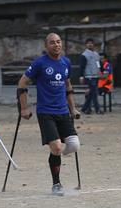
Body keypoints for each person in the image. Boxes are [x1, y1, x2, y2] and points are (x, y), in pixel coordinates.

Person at [17, 32, 81, 196]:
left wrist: (73, 108)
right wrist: (24, 108)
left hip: (63, 111)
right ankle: (56, 184)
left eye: (58, 42)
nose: (56, 45)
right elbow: (22, 82)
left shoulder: (66, 62)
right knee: (57, 147)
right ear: (46, 46)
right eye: (52, 42)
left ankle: (58, 154)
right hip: (46, 112)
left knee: (74, 145)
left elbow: (67, 85)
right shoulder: (39, 63)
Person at [79, 38, 99, 115]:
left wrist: (99, 71)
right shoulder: (84, 55)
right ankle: (97, 109)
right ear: (86, 45)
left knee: (91, 94)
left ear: (94, 44)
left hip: (96, 76)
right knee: (94, 93)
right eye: (88, 43)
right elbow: (82, 67)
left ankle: (84, 108)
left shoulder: (96, 54)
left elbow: (98, 64)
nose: (90, 44)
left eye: (91, 43)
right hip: (89, 76)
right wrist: (81, 76)